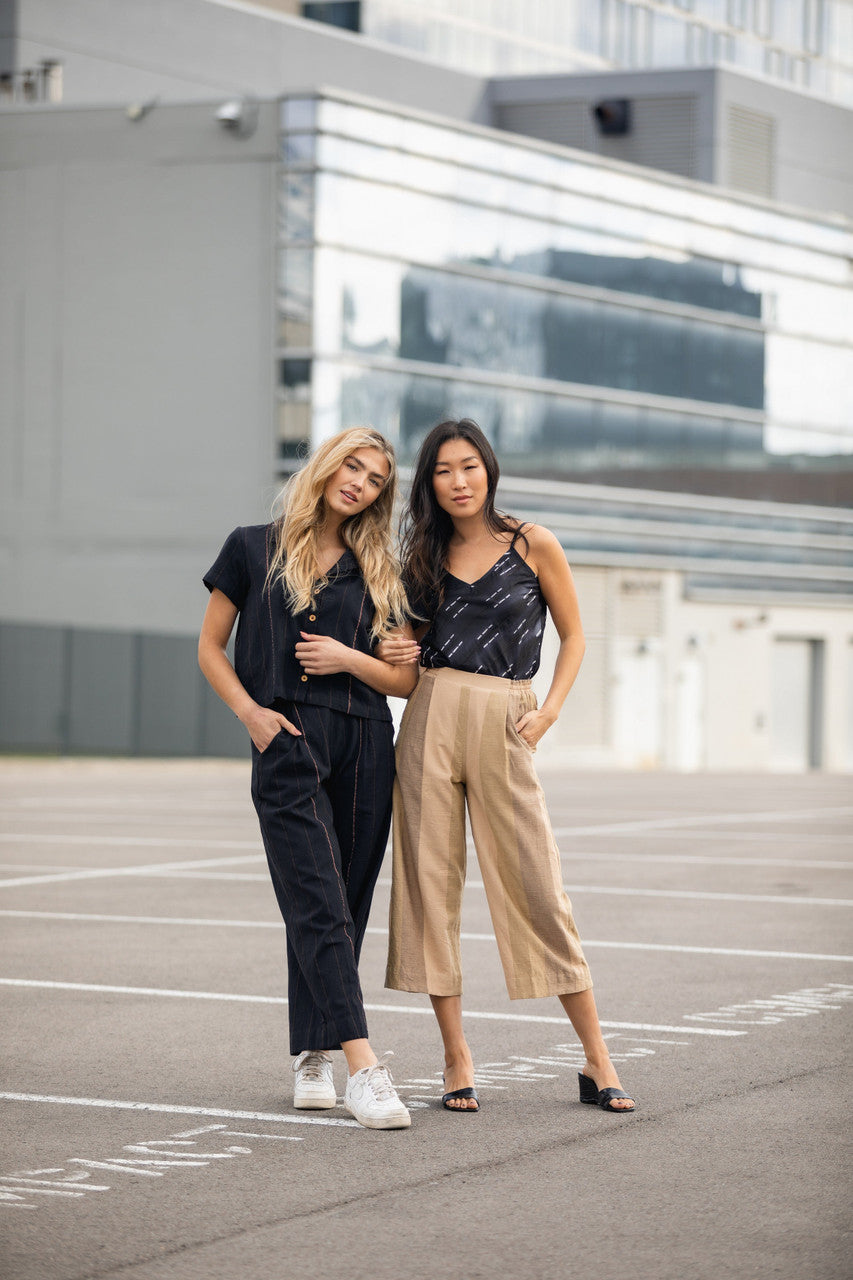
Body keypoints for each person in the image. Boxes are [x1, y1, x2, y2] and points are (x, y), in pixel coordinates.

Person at [381, 419, 635, 1115]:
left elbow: (575, 633)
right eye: (442, 471)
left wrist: (548, 711)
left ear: (488, 471)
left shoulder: (531, 543)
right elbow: (404, 673)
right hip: (430, 715)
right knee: (429, 887)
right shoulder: (419, 558)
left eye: (468, 466)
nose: (458, 481)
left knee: (536, 883)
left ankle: (595, 1056)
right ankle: (455, 1057)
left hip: (506, 716)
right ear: (428, 484)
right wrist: (379, 658)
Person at [198, 427, 418, 1129]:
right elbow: (208, 646)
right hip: (286, 740)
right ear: (326, 465)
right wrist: (251, 716)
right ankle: (362, 1065)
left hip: (363, 742)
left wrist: (347, 659)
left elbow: (404, 680)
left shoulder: (380, 566)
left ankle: (310, 1054)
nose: (360, 482)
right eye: (352, 465)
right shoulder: (249, 546)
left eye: (376, 478)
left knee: (340, 905)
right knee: (315, 897)